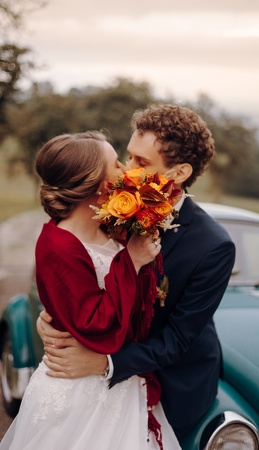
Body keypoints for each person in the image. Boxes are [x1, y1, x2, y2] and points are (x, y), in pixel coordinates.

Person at [38, 104, 236, 442]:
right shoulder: (111, 206)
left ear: (179, 173)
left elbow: (176, 340)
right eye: (128, 157)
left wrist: (104, 364)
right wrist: (56, 318)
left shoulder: (213, 246)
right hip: (99, 367)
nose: (127, 171)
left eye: (141, 163)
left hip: (171, 383)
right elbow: (79, 270)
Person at [0, 131, 181, 450]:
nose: (126, 169)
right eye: (115, 164)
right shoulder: (57, 245)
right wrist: (133, 260)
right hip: (79, 392)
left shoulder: (108, 226)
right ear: (99, 186)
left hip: (120, 382)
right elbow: (95, 322)